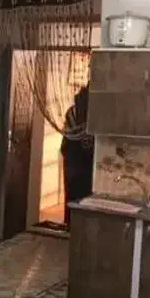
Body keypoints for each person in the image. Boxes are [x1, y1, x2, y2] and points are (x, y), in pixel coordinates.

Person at [60, 84, 94, 223]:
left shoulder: (72, 112)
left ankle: (70, 227)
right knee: (85, 205)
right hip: (84, 166)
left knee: (73, 202)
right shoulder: (94, 113)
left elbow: (66, 143)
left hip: (72, 164)